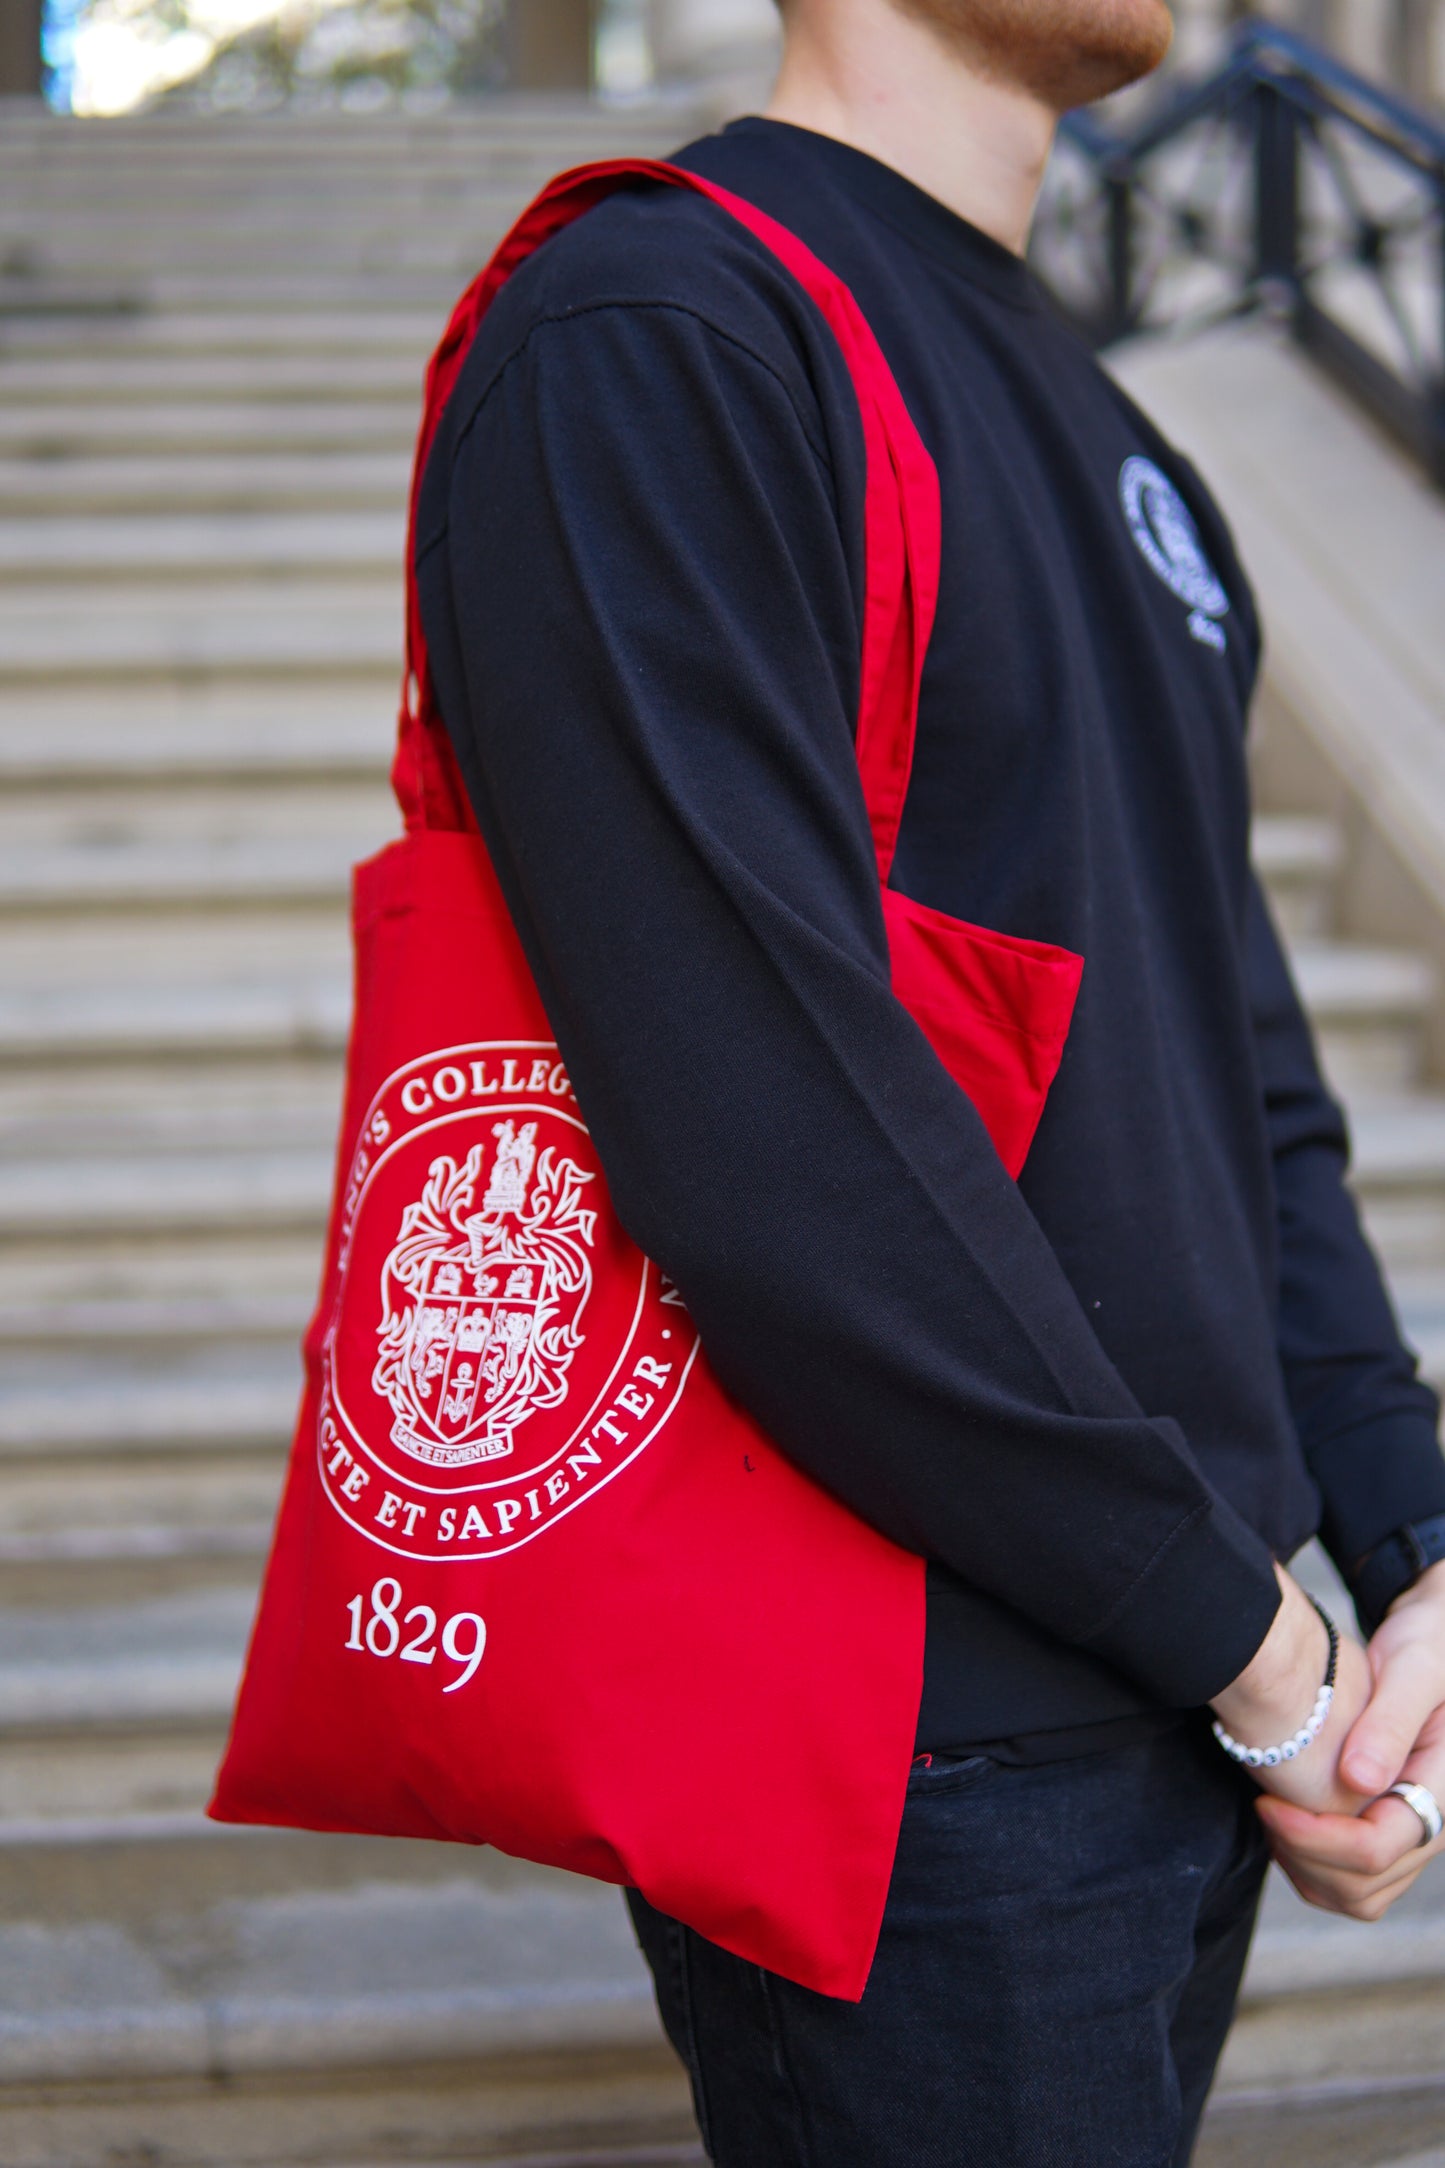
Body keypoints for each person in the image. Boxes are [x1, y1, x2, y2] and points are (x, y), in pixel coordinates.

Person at [412, 0, 1445, 2155]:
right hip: (913, 1738)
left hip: (1185, 1692)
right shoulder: (660, 324)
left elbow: (1236, 1058)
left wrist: (1411, 1528)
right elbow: (760, 1126)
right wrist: (1256, 1647)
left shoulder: (1120, 434)